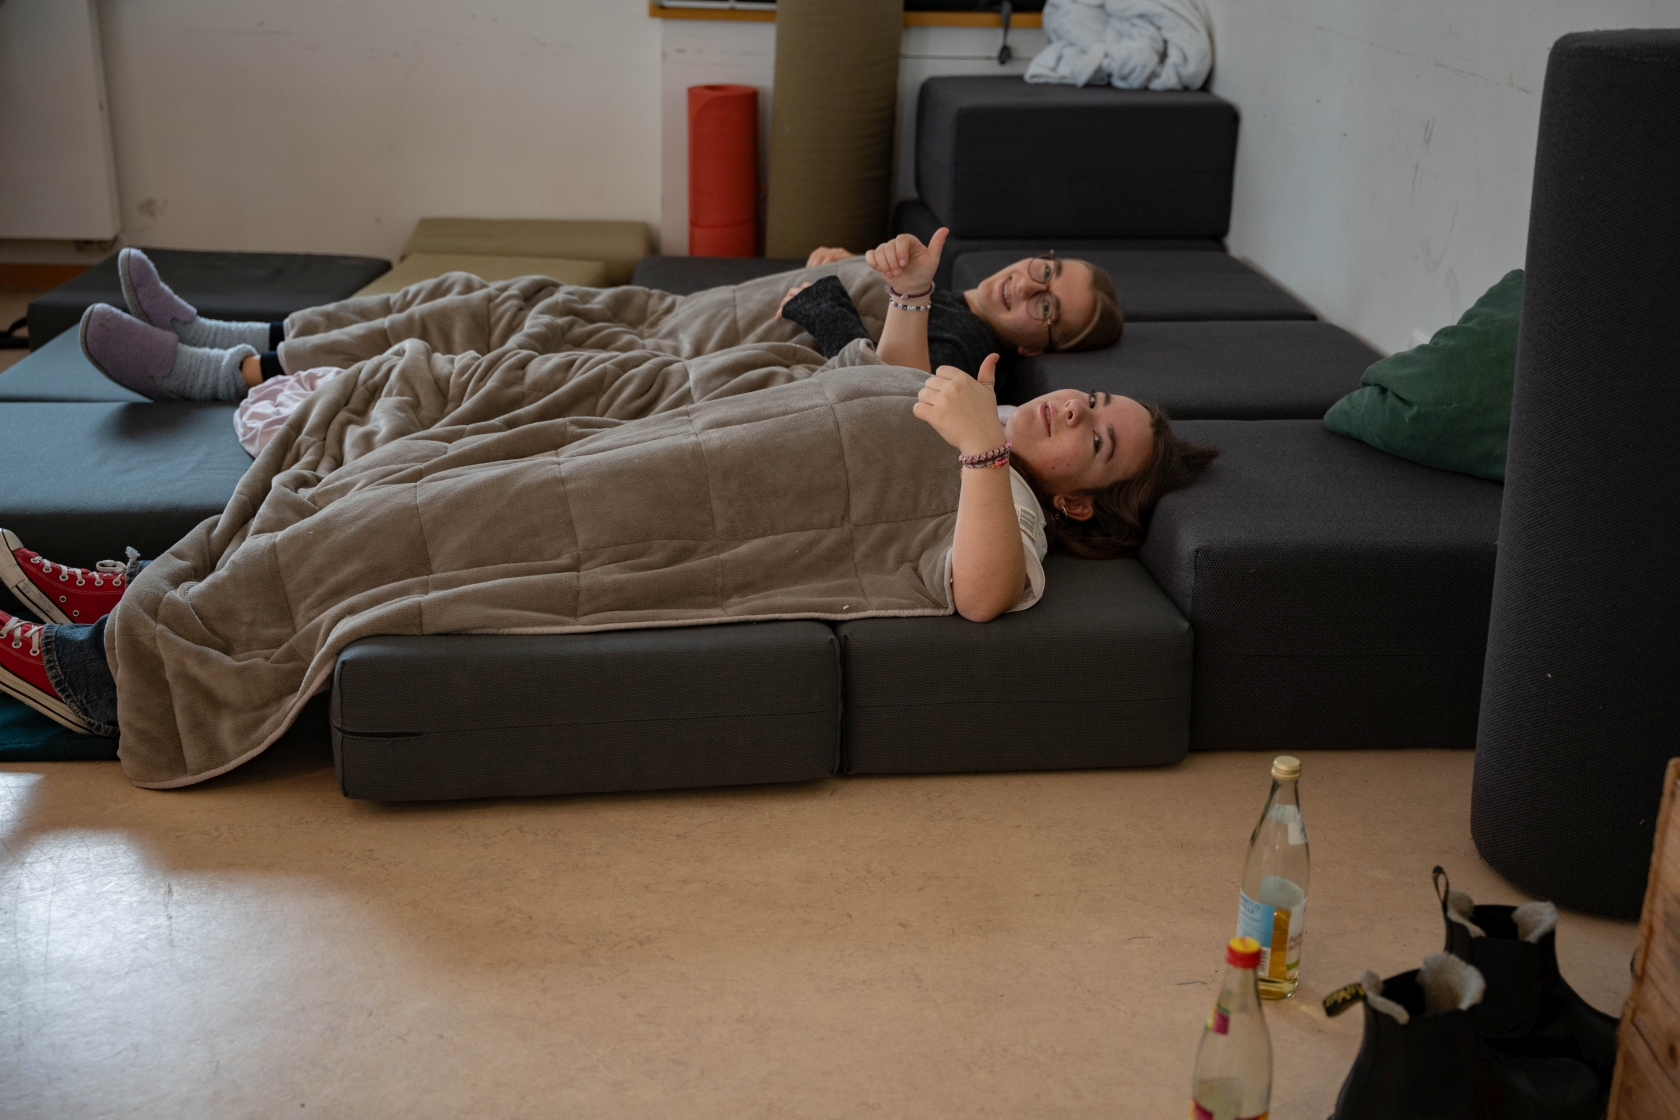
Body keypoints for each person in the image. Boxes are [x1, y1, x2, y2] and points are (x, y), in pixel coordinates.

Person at [1, 237, 1210, 755]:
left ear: (1085, 504)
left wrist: (983, 457)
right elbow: (858, 378)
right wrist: (907, 320)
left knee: (392, 532)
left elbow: (983, 592)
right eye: (1093, 404)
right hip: (676, 437)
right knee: (375, 471)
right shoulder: (969, 391)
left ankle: (112, 676)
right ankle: (140, 594)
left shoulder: (1017, 515)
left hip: (676, 517)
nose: (1074, 413)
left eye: (1098, 442)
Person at [75, 238, 1122, 406]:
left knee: (470, 336)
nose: (1032, 287)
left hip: (684, 351)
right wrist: (842, 263)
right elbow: (836, 286)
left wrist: (839, 289)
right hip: (679, 309)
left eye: (1051, 308)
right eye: (1048, 270)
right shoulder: (945, 281)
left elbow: (878, 381)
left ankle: (215, 378)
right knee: (469, 293)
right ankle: (239, 333)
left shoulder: (967, 345)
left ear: (1038, 344)